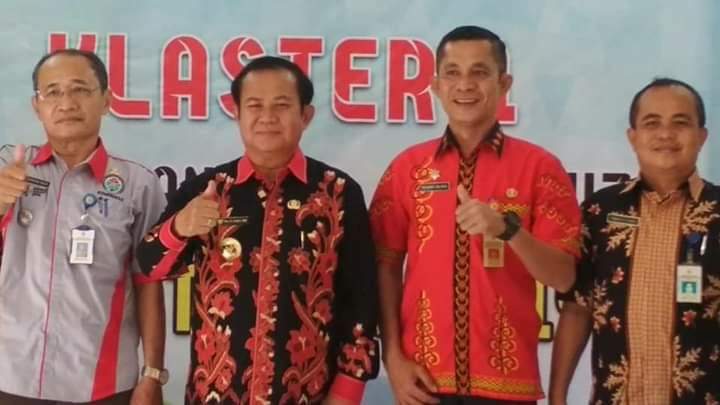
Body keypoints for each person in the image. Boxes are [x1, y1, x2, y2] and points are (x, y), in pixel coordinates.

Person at [135, 56, 379, 405]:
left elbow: (362, 302)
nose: (267, 117)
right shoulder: (207, 189)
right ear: (236, 112)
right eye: (254, 105)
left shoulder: (339, 192)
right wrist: (179, 227)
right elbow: (149, 266)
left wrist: (347, 393)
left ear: (305, 116)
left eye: (281, 105)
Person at [369, 25, 581, 405]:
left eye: (479, 72)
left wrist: (508, 229)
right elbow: (384, 267)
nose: (465, 85)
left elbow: (563, 277)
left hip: (508, 384)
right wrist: (393, 359)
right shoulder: (408, 169)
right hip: (422, 383)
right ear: (436, 85)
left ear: (504, 83)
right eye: (453, 73)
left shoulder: (540, 168)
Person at [0, 49, 167, 404]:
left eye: (80, 89)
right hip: (10, 376)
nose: (66, 103)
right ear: (37, 106)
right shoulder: (8, 172)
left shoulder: (138, 185)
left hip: (101, 384)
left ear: (106, 100)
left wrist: (153, 373)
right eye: (53, 92)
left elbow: (148, 282)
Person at [550, 78, 720, 405]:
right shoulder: (600, 211)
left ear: (702, 136)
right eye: (652, 123)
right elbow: (576, 310)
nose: (666, 134)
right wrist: (558, 397)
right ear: (633, 137)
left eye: (680, 123)